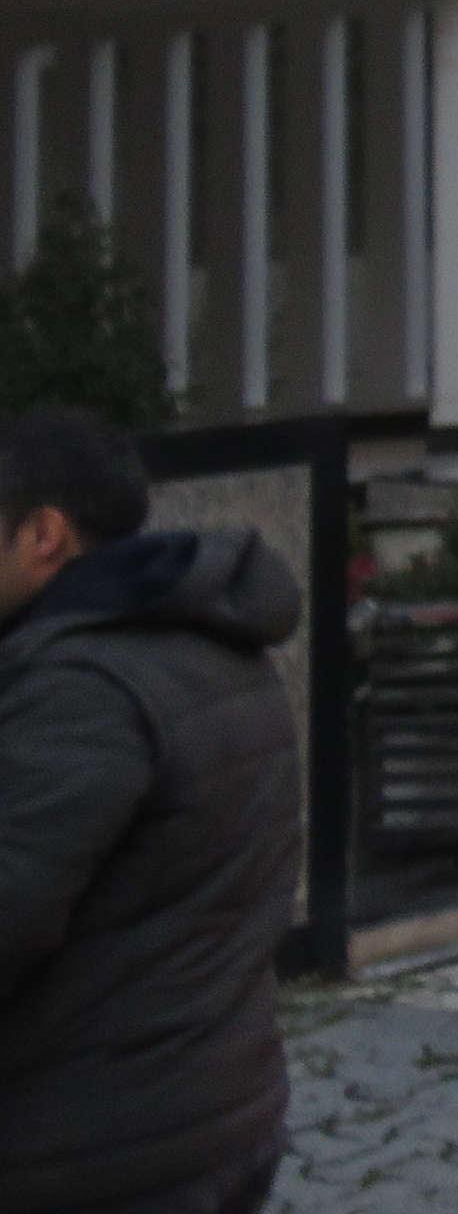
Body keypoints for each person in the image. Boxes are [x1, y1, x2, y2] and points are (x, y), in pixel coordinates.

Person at [0, 405, 303, 1214]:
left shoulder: (80, 690)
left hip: (96, 1150)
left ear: (43, 536)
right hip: (211, 1111)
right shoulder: (207, 634)